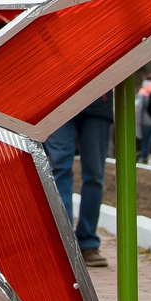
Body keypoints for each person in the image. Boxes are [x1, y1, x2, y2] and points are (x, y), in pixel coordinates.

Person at [43, 89, 114, 266]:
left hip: (97, 99)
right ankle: (64, 243)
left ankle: (88, 243)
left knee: (95, 173)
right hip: (57, 98)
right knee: (59, 168)